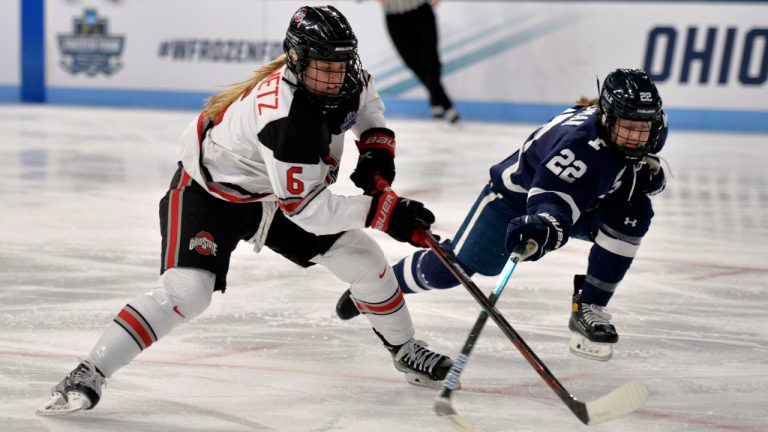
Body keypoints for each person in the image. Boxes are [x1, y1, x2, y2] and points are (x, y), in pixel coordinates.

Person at [37, 5, 455, 416]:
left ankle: (404, 350)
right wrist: (386, 213)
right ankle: (89, 371)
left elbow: (368, 106)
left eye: (342, 63)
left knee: (361, 257)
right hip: (212, 194)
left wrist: (376, 150)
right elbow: (308, 210)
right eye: (323, 66)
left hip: (271, 194)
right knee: (188, 292)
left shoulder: (348, 77)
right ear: (297, 60)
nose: (334, 76)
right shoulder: (285, 116)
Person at [337, 68, 669, 361]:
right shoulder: (579, 147)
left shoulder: (645, 127)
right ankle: (377, 290)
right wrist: (546, 225)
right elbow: (552, 194)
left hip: (583, 199)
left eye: (644, 127)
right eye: (628, 126)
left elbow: (624, 166)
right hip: (512, 201)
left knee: (633, 212)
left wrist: (643, 174)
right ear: (607, 117)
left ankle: (589, 306)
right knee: (452, 270)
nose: (637, 136)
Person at [380, 0, 460, 124]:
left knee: (430, 60)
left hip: (420, 10)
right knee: (411, 61)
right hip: (394, 16)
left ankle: (438, 103)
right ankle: (444, 102)